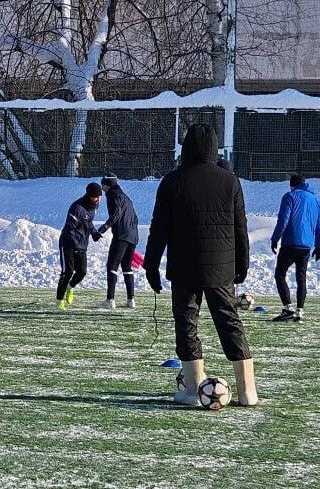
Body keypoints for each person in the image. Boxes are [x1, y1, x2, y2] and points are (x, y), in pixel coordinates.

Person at [144, 123, 258, 407]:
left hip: (184, 266)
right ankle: (248, 392)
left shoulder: (172, 181)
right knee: (230, 323)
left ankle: (194, 389)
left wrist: (151, 265)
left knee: (186, 324)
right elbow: (239, 227)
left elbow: (159, 229)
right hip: (222, 267)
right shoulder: (230, 181)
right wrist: (242, 262)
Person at [270, 173, 320, 322]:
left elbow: (283, 219)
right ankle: (300, 311)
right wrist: (319, 245)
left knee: (280, 274)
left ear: (291, 184)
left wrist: (275, 238)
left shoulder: (290, 196)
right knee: (301, 277)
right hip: (306, 246)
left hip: (290, 243)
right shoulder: (315, 200)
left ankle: (288, 308)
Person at [93, 173, 139, 309]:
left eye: (103, 186)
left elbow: (116, 214)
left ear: (107, 185)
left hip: (121, 235)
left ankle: (110, 300)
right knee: (127, 267)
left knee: (112, 266)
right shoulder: (126, 197)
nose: (102, 189)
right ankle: (131, 300)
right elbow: (134, 217)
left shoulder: (112, 195)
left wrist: (102, 229)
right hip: (133, 235)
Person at [56, 183, 103, 310]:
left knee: (82, 272)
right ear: (88, 196)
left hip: (81, 244)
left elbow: (88, 222)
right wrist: (75, 245)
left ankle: (70, 288)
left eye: (99, 197)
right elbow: (70, 229)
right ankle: (59, 300)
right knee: (67, 272)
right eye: (95, 197)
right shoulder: (77, 207)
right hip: (68, 243)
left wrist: (94, 233)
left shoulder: (94, 207)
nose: (97, 199)